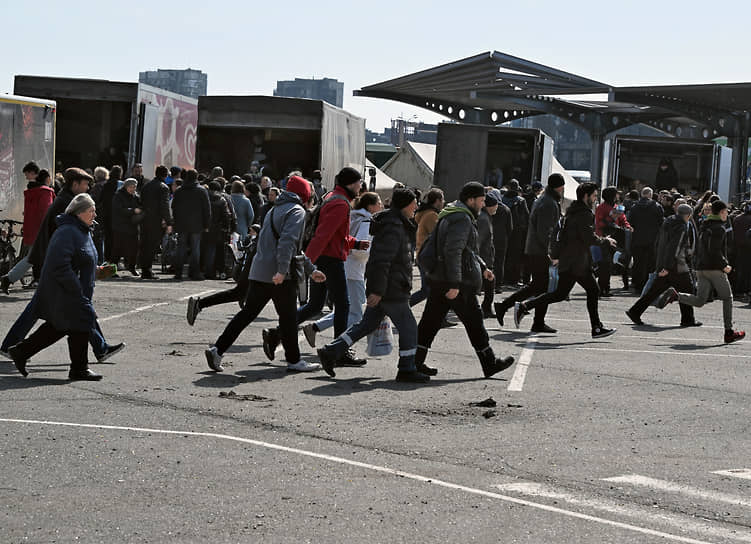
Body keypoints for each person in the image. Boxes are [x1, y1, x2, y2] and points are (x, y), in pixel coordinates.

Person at [204, 176, 326, 373]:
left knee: (247, 314)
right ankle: (294, 361)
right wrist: (282, 270)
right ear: (305, 194)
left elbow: (285, 246)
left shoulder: (274, 209)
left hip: (261, 271)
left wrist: (311, 270)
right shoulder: (297, 211)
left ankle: (217, 349)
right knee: (288, 319)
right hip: (280, 275)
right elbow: (288, 243)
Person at [317, 188, 431, 382]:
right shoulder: (394, 226)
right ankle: (406, 368)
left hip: (388, 286)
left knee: (366, 324)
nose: (417, 207)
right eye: (414, 203)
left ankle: (331, 351)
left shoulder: (394, 223)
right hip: (391, 289)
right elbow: (381, 261)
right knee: (409, 327)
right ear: (405, 204)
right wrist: (377, 290)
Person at [262, 168, 370, 365]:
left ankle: (276, 333)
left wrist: (354, 243)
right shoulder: (340, 203)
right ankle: (339, 351)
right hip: (329, 259)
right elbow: (323, 235)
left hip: (323, 257)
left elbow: (333, 234)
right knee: (343, 305)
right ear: (350, 183)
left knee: (315, 305)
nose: (360, 186)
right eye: (359, 182)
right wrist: (306, 262)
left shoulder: (332, 196)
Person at [415, 182, 516, 378]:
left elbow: (466, 249)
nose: (483, 204)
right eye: (480, 200)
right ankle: (490, 363)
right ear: (470, 200)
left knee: (430, 322)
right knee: (474, 322)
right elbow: (453, 251)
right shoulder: (461, 218)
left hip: (442, 278)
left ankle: (414, 362)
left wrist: (483, 267)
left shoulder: (451, 213)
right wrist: (455, 284)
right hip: (457, 282)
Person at [7, 194, 106, 380]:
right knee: (80, 321)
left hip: (74, 291)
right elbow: (59, 265)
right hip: (65, 291)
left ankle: (21, 352)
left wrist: (98, 269)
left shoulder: (83, 229)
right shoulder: (67, 232)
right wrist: (76, 288)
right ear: (79, 212)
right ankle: (79, 369)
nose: (95, 214)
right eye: (91, 210)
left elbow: (84, 257)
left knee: (62, 326)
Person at [513, 182, 617, 339]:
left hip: (572, 260)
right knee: (591, 290)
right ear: (586, 196)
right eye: (594, 196)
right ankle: (596, 328)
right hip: (577, 262)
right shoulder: (584, 214)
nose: (596, 199)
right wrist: (606, 241)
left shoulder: (573, 212)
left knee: (560, 294)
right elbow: (588, 237)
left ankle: (525, 305)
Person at [303, 192, 382, 347]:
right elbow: (361, 250)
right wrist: (372, 253)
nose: (381, 205)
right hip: (354, 269)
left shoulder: (353, 215)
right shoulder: (366, 220)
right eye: (379, 202)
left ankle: (316, 328)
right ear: (371, 205)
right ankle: (338, 346)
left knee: (347, 307)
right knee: (355, 312)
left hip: (346, 265)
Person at [661, 200, 745, 344]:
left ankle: (676, 296)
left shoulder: (705, 225)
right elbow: (714, 250)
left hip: (701, 268)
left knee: (700, 300)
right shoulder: (719, 228)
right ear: (720, 212)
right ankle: (729, 332)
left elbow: (701, 248)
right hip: (714, 268)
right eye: (725, 212)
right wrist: (725, 265)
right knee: (727, 298)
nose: (727, 215)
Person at [494, 173, 565, 331]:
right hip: (540, 251)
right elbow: (545, 232)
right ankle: (534, 320)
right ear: (559, 187)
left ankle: (508, 308)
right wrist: (551, 254)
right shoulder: (549, 203)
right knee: (542, 287)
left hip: (535, 249)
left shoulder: (545, 199)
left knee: (538, 287)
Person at [625, 204, 700, 327]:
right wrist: (668, 266)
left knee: (655, 290)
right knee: (687, 289)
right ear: (688, 215)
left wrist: (661, 264)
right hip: (676, 265)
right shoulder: (681, 226)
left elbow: (659, 243)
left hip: (665, 262)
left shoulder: (668, 222)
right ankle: (687, 319)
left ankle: (635, 311)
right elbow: (675, 247)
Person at [0, 168, 55, 293]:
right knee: (35, 258)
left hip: (31, 229)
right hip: (42, 231)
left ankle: (9, 279)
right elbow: (46, 213)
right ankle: (9, 278)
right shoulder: (45, 192)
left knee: (33, 258)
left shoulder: (31, 192)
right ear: (47, 179)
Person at [172, 169, 211, 281]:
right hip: (197, 224)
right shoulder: (202, 190)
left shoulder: (179, 190)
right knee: (195, 249)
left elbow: (174, 207)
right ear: (196, 177)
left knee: (181, 248)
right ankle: (194, 272)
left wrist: (176, 221)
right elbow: (207, 209)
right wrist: (206, 224)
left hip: (182, 223)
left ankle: (178, 272)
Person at [409, 188, 445, 307]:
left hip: (423, 255)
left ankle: (440, 317)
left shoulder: (427, 213)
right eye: (442, 199)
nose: (444, 202)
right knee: (428, 290)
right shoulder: (431, 215)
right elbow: (437, 236)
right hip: (428, 257)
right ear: (437, 201)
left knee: (433, 290)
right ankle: (403, 306)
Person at [595, 186, 632, 296]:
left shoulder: (617, 207)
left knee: (610, 264)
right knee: (604, 264)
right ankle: (602, 288)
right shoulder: (601, 207)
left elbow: (623, 219)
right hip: (604, 239)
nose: (618, 196)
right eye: (616, 194)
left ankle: (606, 288)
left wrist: (627, 226)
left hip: (616, 239)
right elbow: (599, 223)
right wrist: (611, 217)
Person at [138, 165, 172, 279]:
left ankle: (144, 269)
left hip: (145, 219)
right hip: (156, 220)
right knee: (152, 246)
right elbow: (165, 206)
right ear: (165, 175)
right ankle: (147, 270)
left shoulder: (146, 186)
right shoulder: (164, 188)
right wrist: (169, 221)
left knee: (145, 244)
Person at [627, 187, 664, 291]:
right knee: (650, 263)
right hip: (652, 240)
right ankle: (649, 285)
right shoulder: (657, 206)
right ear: (651, 195)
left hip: (637, 239)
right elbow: (661, 222)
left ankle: (638, 285)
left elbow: (630, 223)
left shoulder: (634, 207)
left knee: (638, 263)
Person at [110, 178, 143, 276]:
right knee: (117, 249)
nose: (133, 189)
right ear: (126, 186)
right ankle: (112, 270)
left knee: (134, 248)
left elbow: (141, 206)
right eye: (131, 187)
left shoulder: (136, 196)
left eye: (134, 187)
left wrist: (139, 210)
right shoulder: (118, 196)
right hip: (120, 226)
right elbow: (119, 210)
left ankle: (132, 267)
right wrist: (133, 211)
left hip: (132, 226)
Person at [501, 179, 530, 285]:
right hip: (518, 232)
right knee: (517, 255)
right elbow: (527, 216)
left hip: (505, 231)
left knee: (506, 254)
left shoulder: (502, 199)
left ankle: (505, 277)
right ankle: (515, 278)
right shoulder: (521, 200)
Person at [202, 180, 232, 279]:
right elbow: (226, 215)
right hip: (217, 228)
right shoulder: (222, 200)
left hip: (203, 227)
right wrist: (226, 228)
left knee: (205, 249)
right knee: (215, 250)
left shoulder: (204, 198)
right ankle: (212, 271)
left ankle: (204, 270)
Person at [478, 192, 499, 318]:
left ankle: (486, 307)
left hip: (485, 256)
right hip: (483, 258)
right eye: (495, 206)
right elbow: (478, 241)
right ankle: (486, 308)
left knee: (488, 284)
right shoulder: (484, 219)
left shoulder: (486, 217)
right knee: (490, 282)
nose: (496, 208)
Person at [97, 165, 122, 263]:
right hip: (117, 215)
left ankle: (107, 258)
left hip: (107, 214)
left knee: (108, 238)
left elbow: (101, 199)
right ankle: (115, 260)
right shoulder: (120, 185)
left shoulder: (106, 184)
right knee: (116, 239)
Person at [490, 189, 512, 293]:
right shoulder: (506, 209)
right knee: (500, 262)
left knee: (490, 261)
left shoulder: (488, 208)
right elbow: (510, 227)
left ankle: (488, 284)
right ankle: (498, 285)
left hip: (490, 238)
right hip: (502, 240)